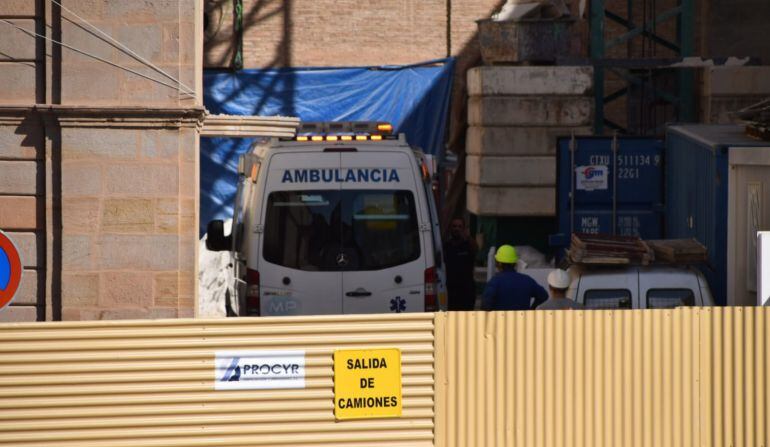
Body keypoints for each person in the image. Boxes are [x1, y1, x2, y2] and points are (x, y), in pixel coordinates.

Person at [481, 245, 548, 310]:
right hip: (522, 320)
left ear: (499, 264)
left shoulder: (495, 282)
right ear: (515, 263)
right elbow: (544, 296)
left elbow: (485, 305)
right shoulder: (527, 280)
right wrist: (531, 310)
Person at [443, 218, 478, 310]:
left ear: (463, 229)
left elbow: (476, 248)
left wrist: (467, 236)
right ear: (450, 228)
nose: (456, 229)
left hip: (466, 289)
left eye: (459, 226)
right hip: (451, 290)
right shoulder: (446, 246)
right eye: (454, 226)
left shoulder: (468, 245)